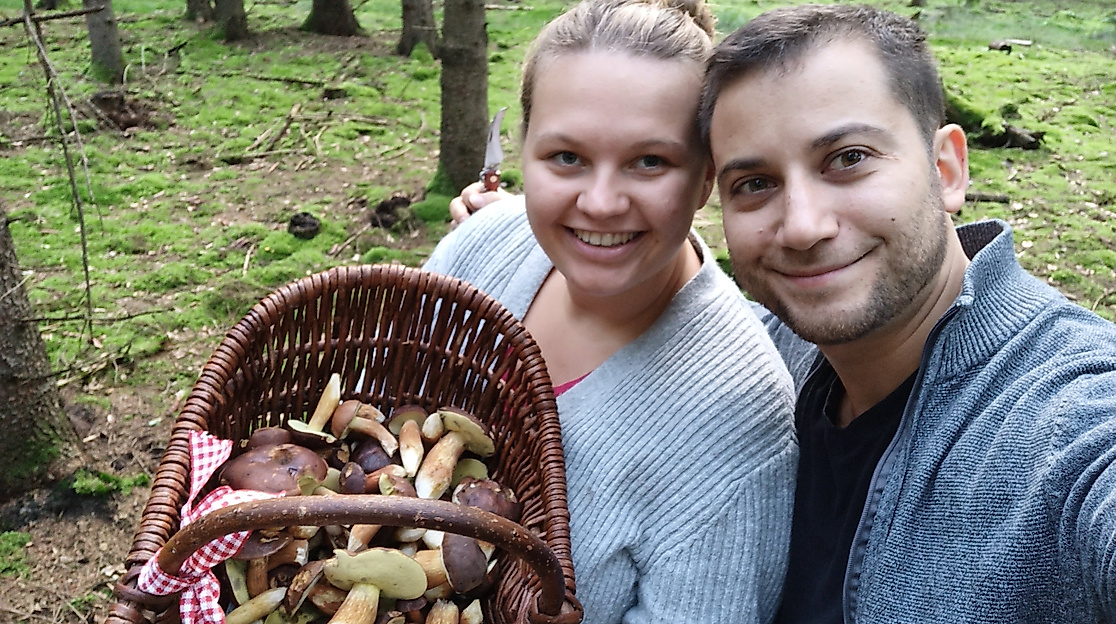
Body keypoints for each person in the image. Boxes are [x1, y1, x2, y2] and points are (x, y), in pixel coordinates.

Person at [697, 4, 1116, 623]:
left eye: (848, 159)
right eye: (755, 183)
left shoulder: (1068, 421)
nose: (803, 227)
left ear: (947, 170)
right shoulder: (772, 359)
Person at [424, 0, 798, 622]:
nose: (599, 204)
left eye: (650, 161)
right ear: (523, 155)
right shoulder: (478, 248)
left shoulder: (736, 421)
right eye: (566, 157)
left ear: (705, 176)